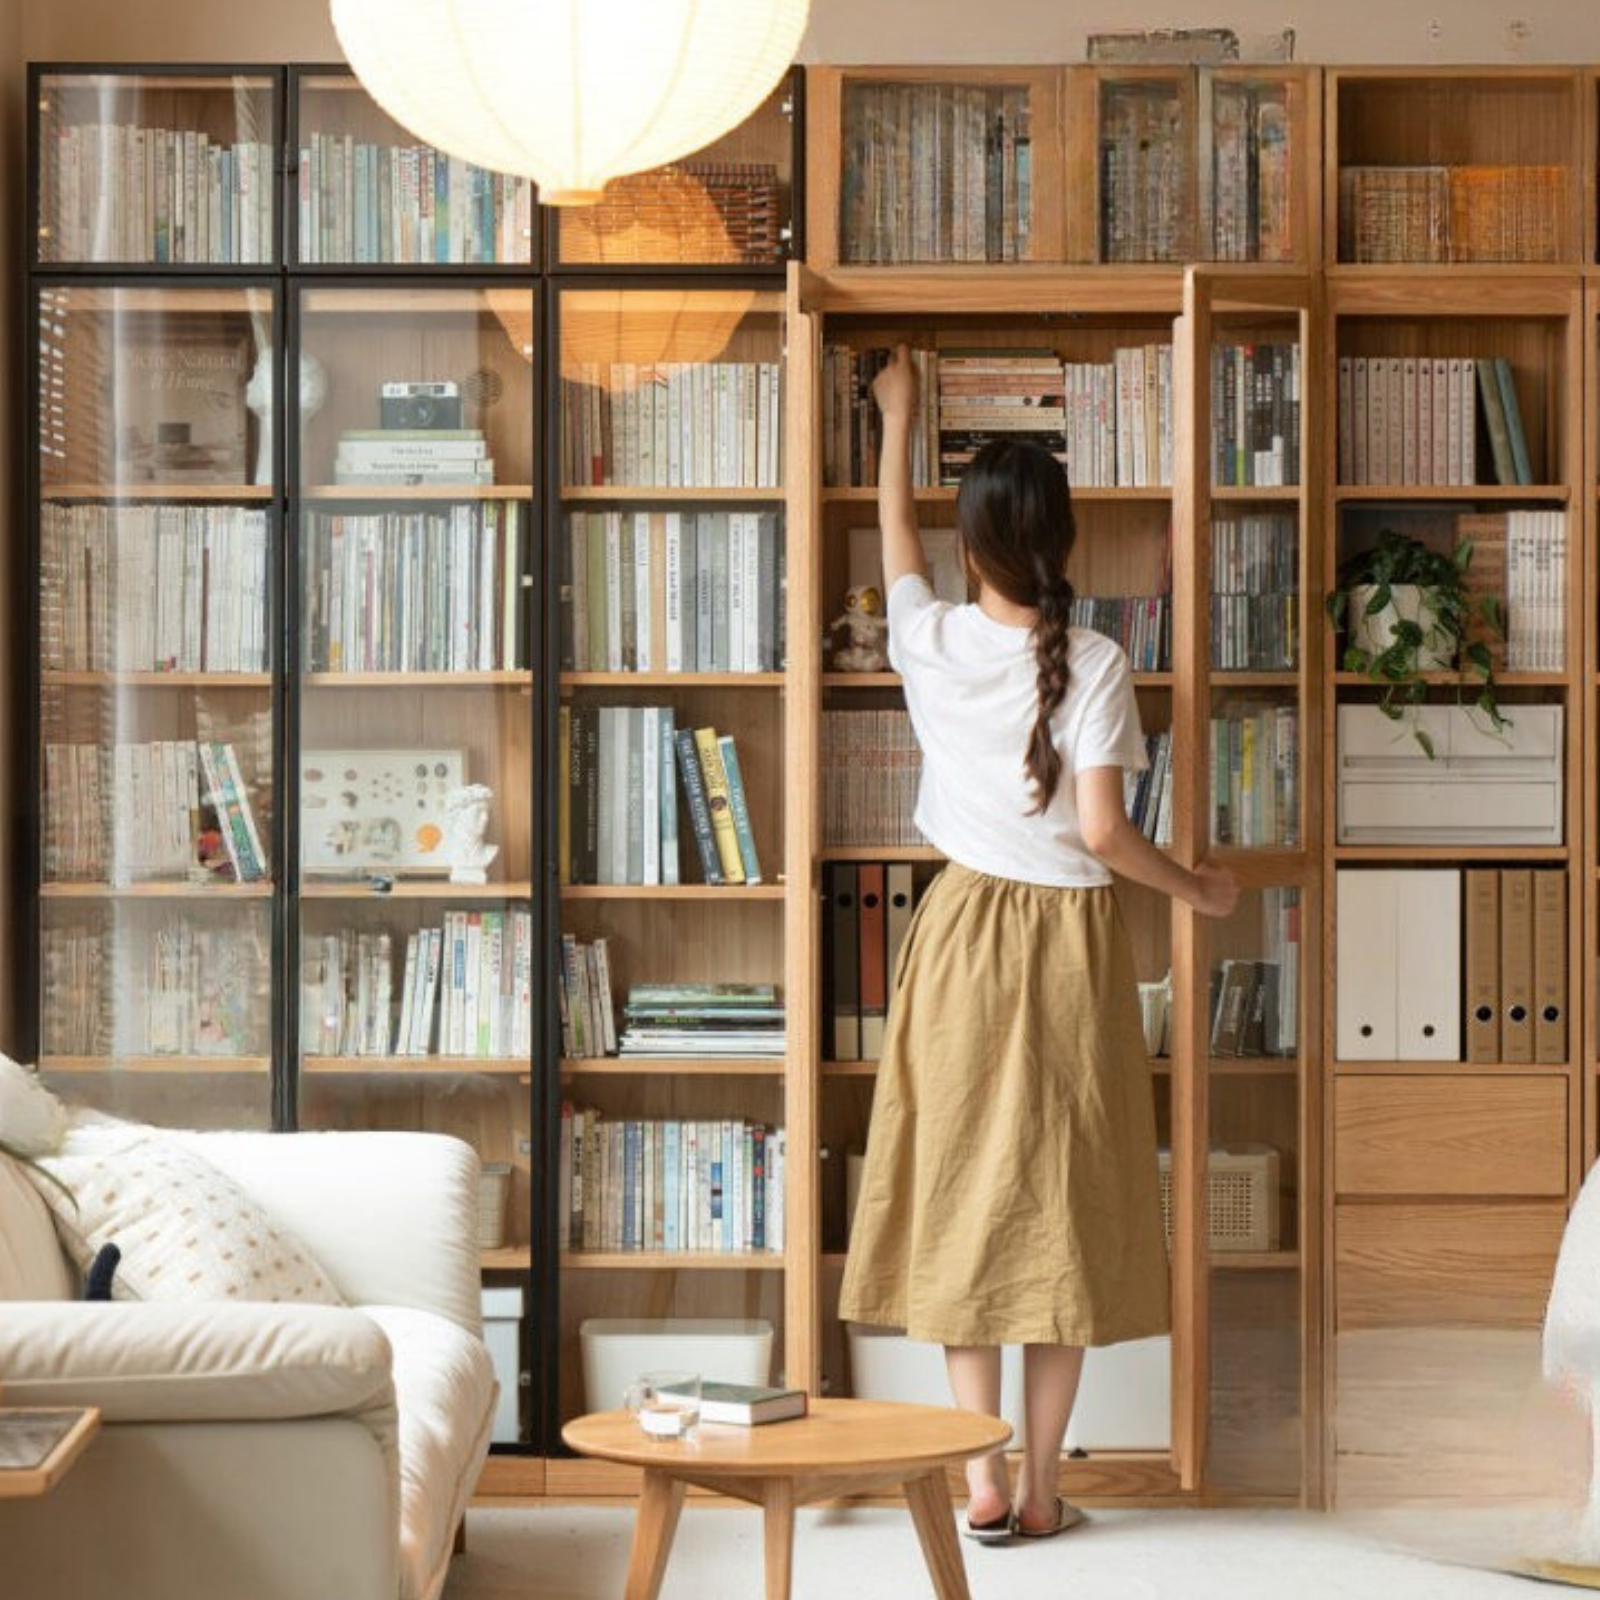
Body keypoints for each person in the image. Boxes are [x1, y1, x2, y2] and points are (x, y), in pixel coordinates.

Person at [837, 345, 1241, 1544]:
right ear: (1064, 544)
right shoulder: (1101, 660)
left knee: (965, 1191)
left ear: (973, 547)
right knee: (1061, 1201)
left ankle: (981, 1475)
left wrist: (897, 418)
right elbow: (1110, 834)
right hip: (1066, 943)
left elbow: (888, 538)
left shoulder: (928, 638)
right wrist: (1202, 892)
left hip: (958, 930)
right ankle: (1050, 1487)